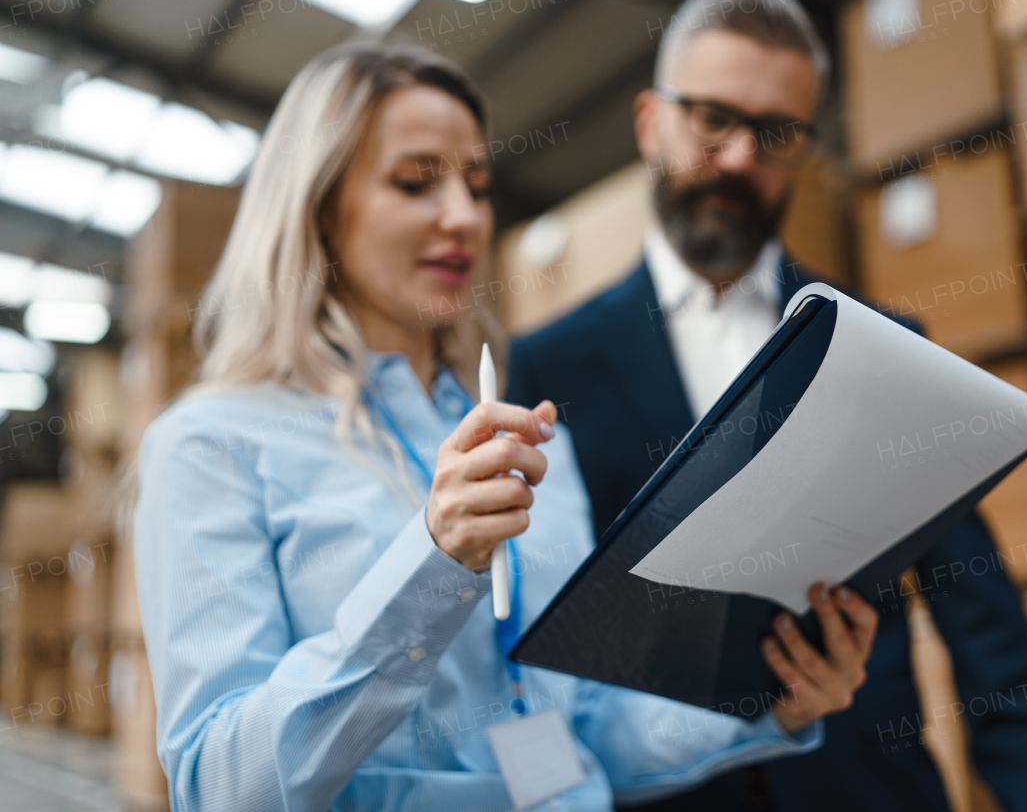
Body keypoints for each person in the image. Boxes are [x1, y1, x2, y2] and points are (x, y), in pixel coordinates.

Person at [131, 42, 880, 812]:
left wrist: (771, 703)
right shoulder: (211, 444)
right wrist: (431, 563)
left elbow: (586, 729)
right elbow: (218, 784)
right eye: (416, 181)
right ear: (320, 209)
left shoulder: (525, 443)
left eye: (478, 185)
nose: (463, 216)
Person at [506, 0, 1027, 812]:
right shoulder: (548, 367)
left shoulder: (887, 350)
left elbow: (987, 624)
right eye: (713, 118)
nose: (742, 157)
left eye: (776, 132)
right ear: (650, 123)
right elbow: (551, 646)